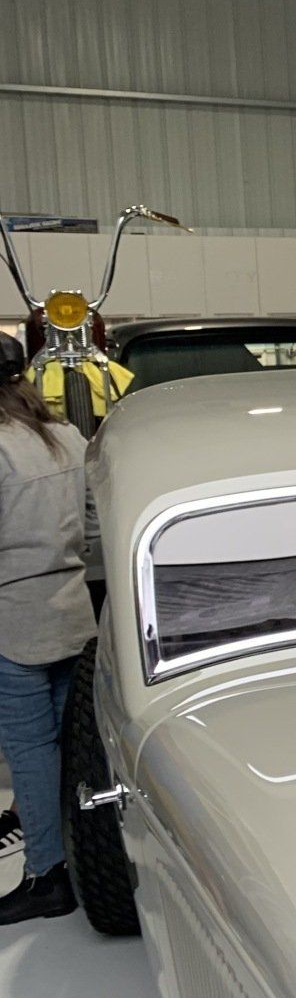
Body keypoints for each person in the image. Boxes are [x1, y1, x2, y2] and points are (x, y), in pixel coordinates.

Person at [0, 331, 95, 926]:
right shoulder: (66, 437)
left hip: (12, 622)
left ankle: (47, 875)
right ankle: (84, 861)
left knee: (31, 750)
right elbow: (93, 523)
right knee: (74, 750)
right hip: (72, 611)